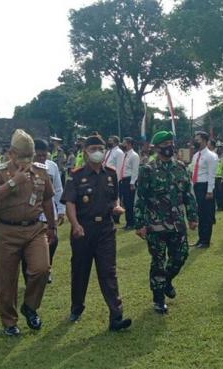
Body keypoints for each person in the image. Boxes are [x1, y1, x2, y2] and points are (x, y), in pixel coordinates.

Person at [0, 129, 56, 336]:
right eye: (22, 157)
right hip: (6, 230)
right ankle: (9, 322)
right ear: (11, 154)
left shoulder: (41, 171)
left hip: (35, 228)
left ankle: (30, 306)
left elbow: (47, 199)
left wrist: (51, 226)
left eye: (29, 157)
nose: (26, 161)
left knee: (42, 269)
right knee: (6, 280)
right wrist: (13, 182)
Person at [61, 134, 132, 331]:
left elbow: (114, 198)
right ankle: (77, 307)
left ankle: (116, 316)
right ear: (85, 152)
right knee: (80, 271)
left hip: (106, 230)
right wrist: (75, 224)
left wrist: (116, 207)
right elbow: (70, 202)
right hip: (83, 230)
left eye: (100, 149)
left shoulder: (110, 174)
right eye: (92, 149)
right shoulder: (75, 175)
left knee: (108, 271)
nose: (97, 153)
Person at [134, 131, 198, 314]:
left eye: (171, 143)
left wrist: (193, 217)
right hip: (156, 225)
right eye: (166, 143)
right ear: (156, 147)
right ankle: (159, 298)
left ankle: (166, 281)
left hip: (177, 223)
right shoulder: (147, 169)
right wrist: (139, 224)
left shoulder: (180, 168)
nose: (170, 146)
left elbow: (188, 194)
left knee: (181, 255)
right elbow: (141, 198)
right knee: (158, 261)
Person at [21, 139, 66, 284]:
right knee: (28, 247)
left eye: (44, 155)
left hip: (48, 212)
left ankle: (47, 268)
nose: (41, 158)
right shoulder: (24, 168)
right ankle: (28, 274)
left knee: (52, 241)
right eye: (38, 155)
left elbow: (58, 189)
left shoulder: (51, 167)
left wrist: (61, 209)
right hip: (30, 213)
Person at [190, 131, 218, 248]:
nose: (196, 141)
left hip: (206, 186)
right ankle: (201, 238)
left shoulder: (211, 156)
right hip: (196, 186)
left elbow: (212, 175)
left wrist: (210, 190)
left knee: (206, 214)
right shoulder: (196, 155)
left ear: (205, 141)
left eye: (198, 139)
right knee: (199, 213)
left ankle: (206, 240)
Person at [118, 137, 140, 230]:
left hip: (129, 180)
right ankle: (128, 222)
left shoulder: (134, 155)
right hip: (123, 180)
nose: (123, 144)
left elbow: (135, 170)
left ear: (129, 144)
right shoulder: (125, 154)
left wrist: (132, 183)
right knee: (125, 203)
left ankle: (132, 223)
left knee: (129, 203)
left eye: (124, 142)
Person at [104, 136, 125, 224]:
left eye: (111, 141)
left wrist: (117, 179)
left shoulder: (119, 152)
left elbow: (120, 167)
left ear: (116, 142)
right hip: (106, 177)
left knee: (116, 197)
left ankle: (116, 216)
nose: (109, 142)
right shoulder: (109, 151)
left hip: (114, 178)